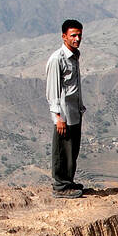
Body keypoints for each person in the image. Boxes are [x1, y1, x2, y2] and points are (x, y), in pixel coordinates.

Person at [45, 19, 86, 198]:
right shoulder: (57, 59)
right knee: (62, 150)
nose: (77, 39)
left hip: (74, 111)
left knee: (72, 150)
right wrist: (58, 117)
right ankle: (60, 186)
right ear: (64, 37)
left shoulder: (74, 56)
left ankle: (68, 181)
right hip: (64, 115)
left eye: (79, 35)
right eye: (73, 35)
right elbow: (53, 91)